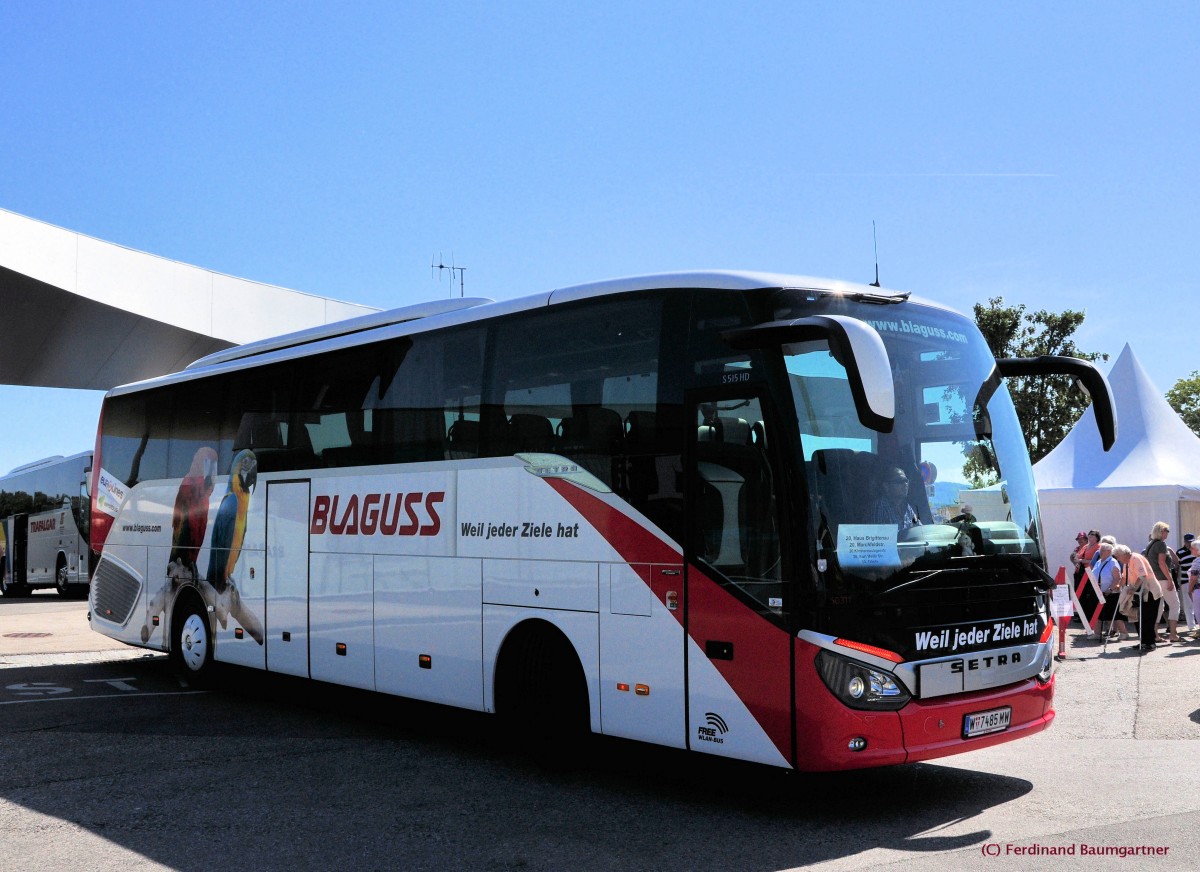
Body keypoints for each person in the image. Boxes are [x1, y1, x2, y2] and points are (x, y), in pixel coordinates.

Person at [1114, 543, 1164, 651]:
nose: (1117, 559)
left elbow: (1142, 576)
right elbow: (1124, 577)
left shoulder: (1135, 558)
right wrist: (1118, 586)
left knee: (1148, 617)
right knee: (1137, 617)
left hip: (1150, 592)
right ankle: (1143, 641)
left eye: (1118, 556)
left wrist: (1134, 588)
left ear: (1124, 554)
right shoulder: (1126, 562)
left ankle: (1150, 643)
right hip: (1138, 593)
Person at [1144, 521, 1181, 643]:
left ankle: (1155, 635)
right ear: (1161, 532)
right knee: (1175, 605)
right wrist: (1170, 579)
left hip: (1153, 580)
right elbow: (1162, 562)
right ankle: (1173, 635)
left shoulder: (1150, 544)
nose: (1168, 533)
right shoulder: (1161, 544)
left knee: (1159, 607)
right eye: (1167, 530)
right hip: (1163, 579)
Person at [1093, 541, 1130, 640]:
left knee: (1114, 614)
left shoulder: (1112, 562)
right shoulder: (1099, 561)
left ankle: (1124, 632)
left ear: (1109, 551)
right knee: (1098, 613)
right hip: (1099, 591)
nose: (1100, 552)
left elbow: (1117, 578)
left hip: (1111, 592)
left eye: (1102, 550)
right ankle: (1097, 633)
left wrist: (1110, 589)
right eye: (1100, 550)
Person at [1177, 533, 1198, 633]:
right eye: (1188, 542)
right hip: (1185, 580)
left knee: (1196, 604)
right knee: (1188, 604)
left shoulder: (1197, 550)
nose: (1190, 544)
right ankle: (1191, 626)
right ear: (1184, 541)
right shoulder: (1180, 552)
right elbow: (1177, 567)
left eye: (1191, 541)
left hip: (1196, 581)